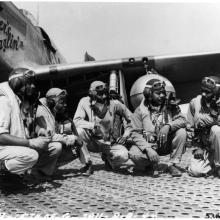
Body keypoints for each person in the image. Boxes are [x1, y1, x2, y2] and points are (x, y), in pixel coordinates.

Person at [0, 68, 51, 185]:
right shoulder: (4, 100)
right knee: (31, 155)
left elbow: (24, 125)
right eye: (28, 83)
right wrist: (30, 143)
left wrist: (40, 130)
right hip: (2, 146)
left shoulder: (18, 101)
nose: (33, 86)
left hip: (7, 147)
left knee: (51, 147)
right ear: (17, 83)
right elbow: (0, 136)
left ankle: (16, 174)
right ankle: (3, 174)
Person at [129, 78, 187, 177]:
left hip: (164, 143)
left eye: (163, 93)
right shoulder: (139, 111)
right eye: (158, 93)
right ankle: (150, 164)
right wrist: (147, 149)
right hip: (149, 145)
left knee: (181, 132)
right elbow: (134, 133)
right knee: (134, 155)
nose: (162, 96)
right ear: (149, 95)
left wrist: (168, 126)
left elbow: (183, 120)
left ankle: (172, 165)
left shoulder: (171, 106)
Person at [73, 81, 134, 170]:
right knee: (79, 131)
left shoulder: (115, 103)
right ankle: (87, 163)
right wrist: (93, 125)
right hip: (92, 140)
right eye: (100, 94)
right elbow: (76, 121)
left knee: (123, 156)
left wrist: (125, 135)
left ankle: (108, 158)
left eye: (105, 93)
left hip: (108, 142)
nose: (104, 97)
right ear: (92, 93)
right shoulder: (84, 101)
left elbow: (132, 119)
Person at [35, 88, 93, 176]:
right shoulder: (41, 112)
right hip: (37, 148)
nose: (65, 104)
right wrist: (71, 139)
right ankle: (40, 171)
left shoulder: (51, 109)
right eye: (61, 102)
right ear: (52, 101)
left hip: (46, 145)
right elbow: (50, 136)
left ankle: (87, 162)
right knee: (58, 146)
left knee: (74, 146)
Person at [187, 76, 220, 177]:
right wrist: (197, 147)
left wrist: (213, 121)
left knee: (216, 130)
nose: (203, 94)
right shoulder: (195, 102)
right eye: (202, 90)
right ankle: (213, 162)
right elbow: (190, 127)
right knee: (196, 171)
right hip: (206, 145)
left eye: (208, 92)